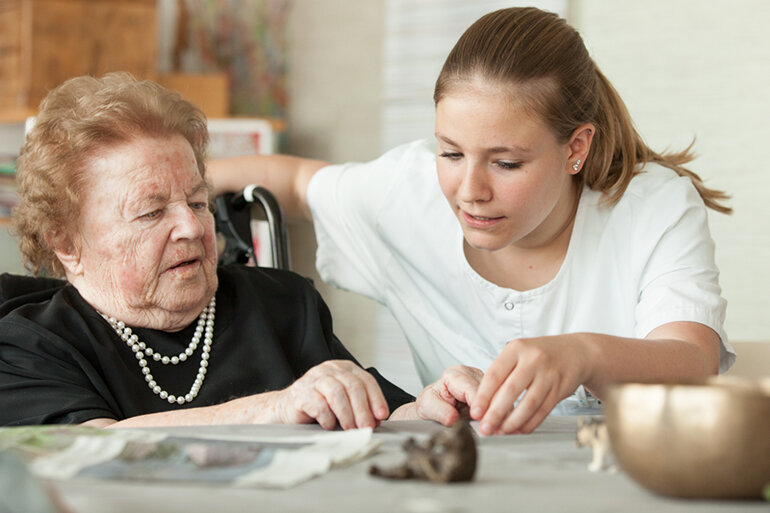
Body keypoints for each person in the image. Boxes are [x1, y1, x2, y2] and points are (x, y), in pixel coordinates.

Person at [207, 7, 735, 435]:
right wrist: (146, 192)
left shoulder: (653, 208)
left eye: (506, 164)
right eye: (451, 153)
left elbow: (692, 360)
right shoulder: (406, 196)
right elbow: (298, 183)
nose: (470, 192)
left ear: (576, 147)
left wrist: (584, 354)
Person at [0, 72, 421, 429]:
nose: (191, 227)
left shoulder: (285, 304)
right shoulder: (28, 347)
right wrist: (273, 409)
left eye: (198, 202)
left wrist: (435, 407)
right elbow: (92, 450)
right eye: (151, 212)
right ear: (67, 244)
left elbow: (383, 416)